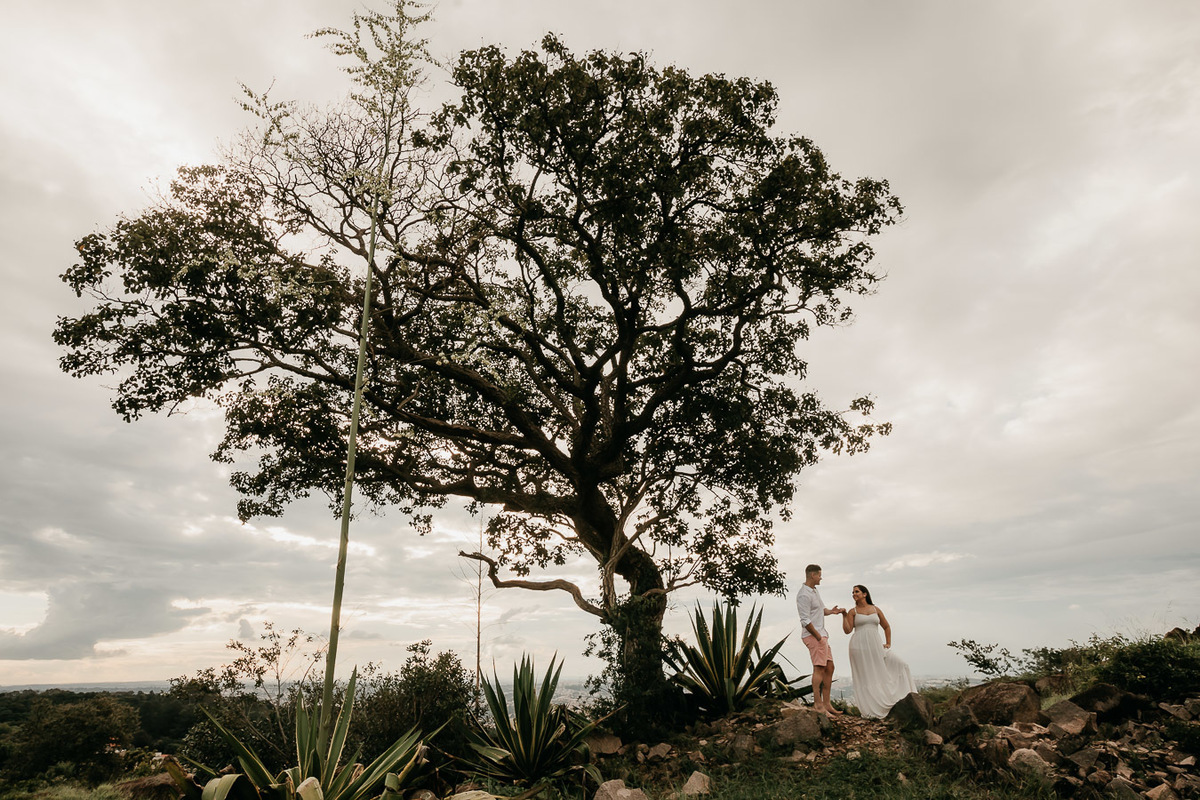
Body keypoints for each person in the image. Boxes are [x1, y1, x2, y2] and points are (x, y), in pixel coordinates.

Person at [841, 584, 917, 718]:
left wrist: (888, 643)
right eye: (852, 592)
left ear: (865, 594)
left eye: (857, 591)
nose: (854, 594)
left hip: (875, 646)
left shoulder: (876, 609)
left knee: (901, 664)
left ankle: (902, 699)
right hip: (858, 647)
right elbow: (847, 630)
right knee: (867, 676)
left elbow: (886, 626)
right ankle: (871, 709)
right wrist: (844, 615)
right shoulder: (853, 611)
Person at [796, 564, 844, 717]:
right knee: (819, 669)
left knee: (830, 667)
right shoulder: (804, 595)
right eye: (819, 575)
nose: (821, 578)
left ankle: (826, 703)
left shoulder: (814, 591)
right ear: (812, 575)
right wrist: (817, 637)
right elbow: (805, 620)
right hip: (814, 636)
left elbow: (821, 610)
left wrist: (832, 611)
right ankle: (818, 705)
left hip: (822, 635)